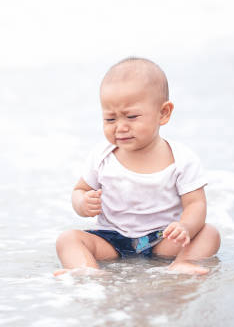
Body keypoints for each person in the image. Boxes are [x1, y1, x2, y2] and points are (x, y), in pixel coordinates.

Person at [55, 57, 220, 276]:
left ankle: (183, 262)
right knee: (68, 239)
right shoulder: (102, 156)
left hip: (162, 239)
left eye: (131, 117)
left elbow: (196, 205)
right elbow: (80, 190)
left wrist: (185, 228)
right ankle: (87, 271)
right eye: (110, 119)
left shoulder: (181, 159)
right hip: (111, 239)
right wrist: (82, 203)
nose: (120, 127)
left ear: (163, 113)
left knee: (209, 233)